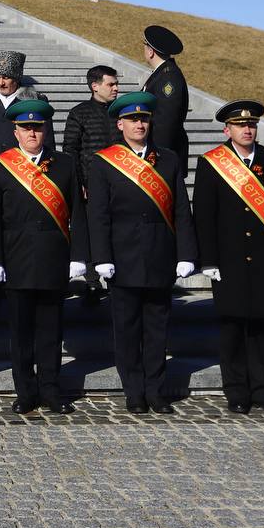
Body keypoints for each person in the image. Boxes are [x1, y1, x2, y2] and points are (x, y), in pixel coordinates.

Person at [86, 92, 199, 414]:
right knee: (127, 329)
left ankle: (155, 389)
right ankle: (134, 390)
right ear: (120, 124)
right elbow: (98, 214)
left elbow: (180, 210)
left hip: (160, 253)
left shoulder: (168, 159)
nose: (139, 124)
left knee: (157, 329)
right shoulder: (104, 161)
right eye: (133, 119)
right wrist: (101, 257)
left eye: (144, 119)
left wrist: (186, 253)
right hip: (122, 257)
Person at [193, 100, 264, 416]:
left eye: (251, 125)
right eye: (241, 125)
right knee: (232, 330)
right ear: (227, 130)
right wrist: (209, 260)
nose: (247, 129)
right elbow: (204, 215)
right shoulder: (212, 163)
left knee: (261, 331)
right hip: (229, 260)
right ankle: (237, 391)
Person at [0, 99, 88, 415]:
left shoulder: (65, 164)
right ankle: (26, 391)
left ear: (46, 130)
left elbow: (79, 215)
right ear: (15, 132)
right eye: (26, 128)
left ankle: (51, 390)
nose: (32, 133)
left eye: (37, 128)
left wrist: (79, 256)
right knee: (21, 332)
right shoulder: (0, 165)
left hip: (54, 258)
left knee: (51, 331)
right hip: (16, 261)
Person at [0, 50, 54, 161]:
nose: (0, 83)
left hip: (23, 170)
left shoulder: (36, 103)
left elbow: (47, 140)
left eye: (5, 78)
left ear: (16, 78)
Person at [141, 25, 190, 177]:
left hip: (163, 156)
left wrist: (157, 157)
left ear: (150, 52)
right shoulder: (161, 74)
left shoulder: (168, 77)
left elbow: (166, 120)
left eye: (145, 46)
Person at [63, 66, 121, 190]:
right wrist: (79, 183)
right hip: (93, 184)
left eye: (116, 84)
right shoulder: (78, 113)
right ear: (95, 86)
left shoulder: (122, 112)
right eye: (110, 85)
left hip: (123, 180)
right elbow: (70, 150)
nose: (116, 88)